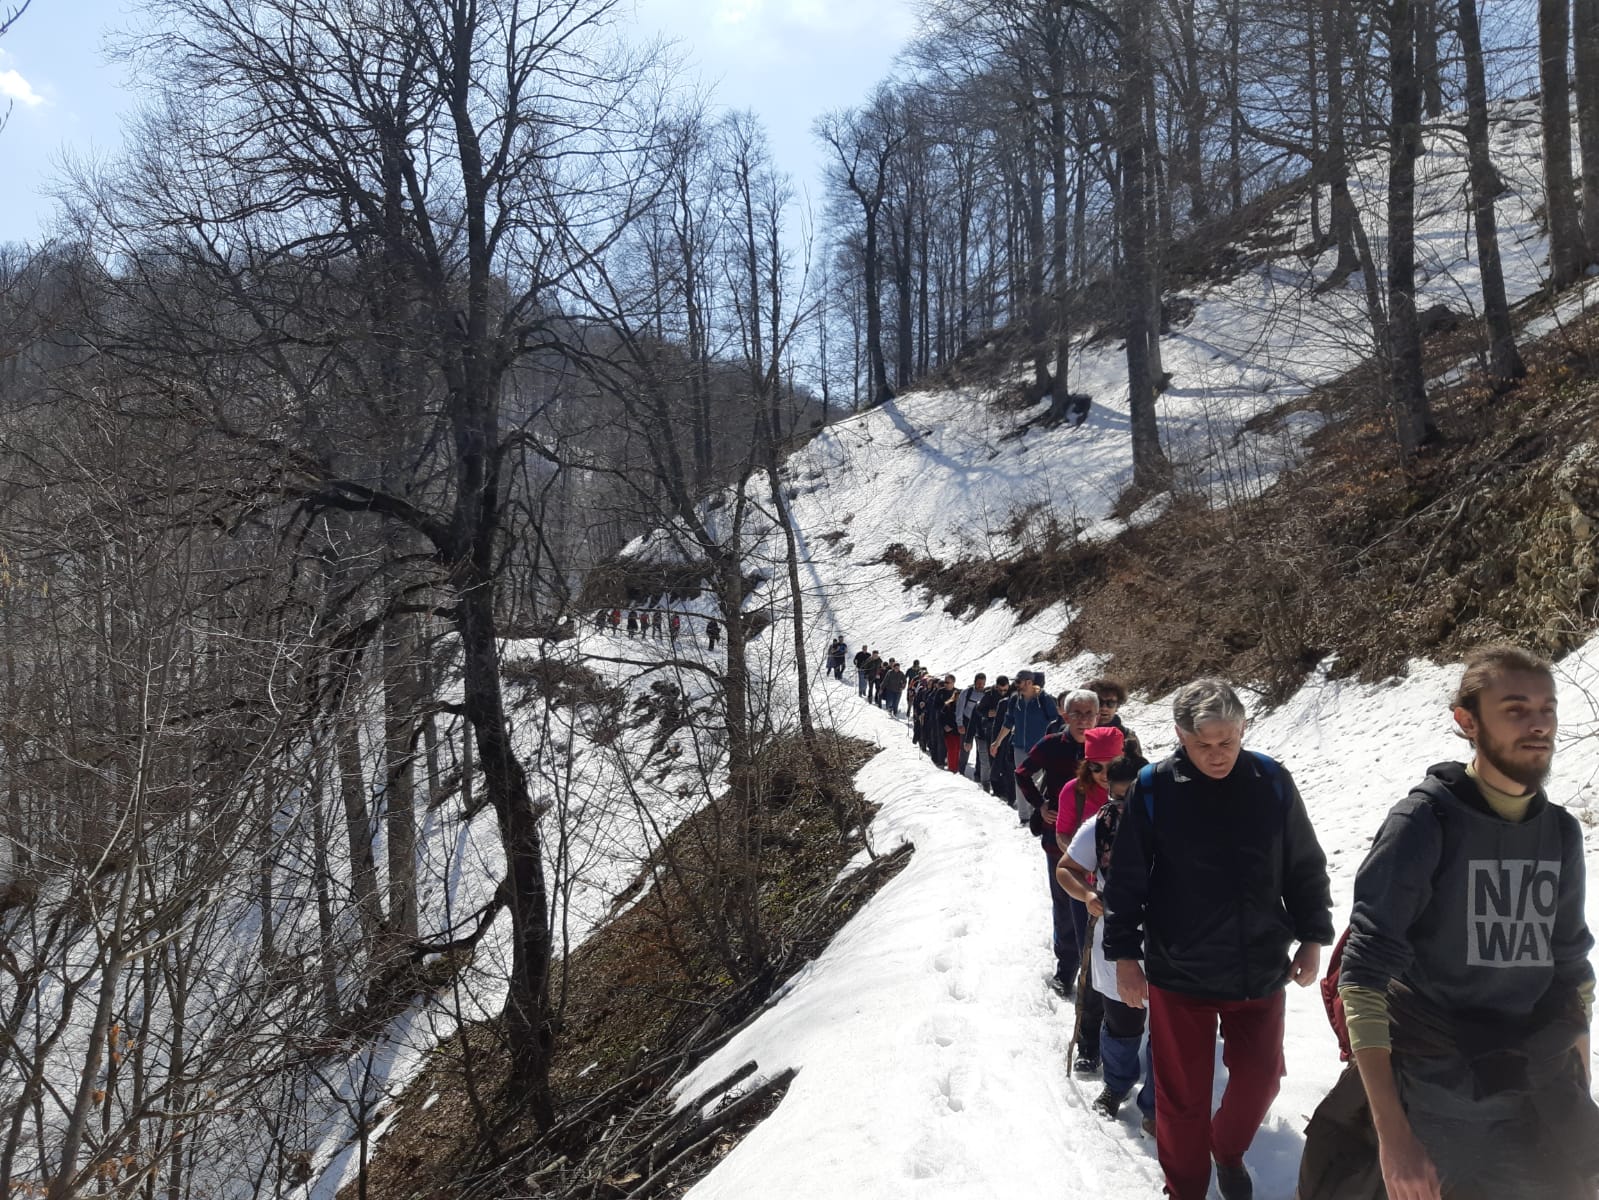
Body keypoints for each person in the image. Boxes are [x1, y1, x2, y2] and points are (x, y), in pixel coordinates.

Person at [1303, 645, 1599, 1200]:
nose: (1538, 725)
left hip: (1533, 1086)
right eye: (1515, 709)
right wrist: (1394, 1139)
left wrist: (1578, 1097)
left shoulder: (1559, 832)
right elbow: (1364, 979)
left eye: (1547, 709)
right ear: (1467, 721)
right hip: (1437, 1092)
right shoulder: (1426, 821)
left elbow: (1571, 972)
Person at [1104, 678, 1332, 1200]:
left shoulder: (1271, 781)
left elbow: (1303, 862)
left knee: (1261, 1081)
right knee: (1180, 1099)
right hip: (1179, 969)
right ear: (1181, 737)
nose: (1217, 754)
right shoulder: (1155, 787)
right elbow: (1128, 878)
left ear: (1244, 728)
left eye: (1227, 740)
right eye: (1203, 743)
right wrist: (1123, 955)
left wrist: (1313, 935)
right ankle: (1185, 1189)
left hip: (1259, 965)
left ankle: (1227, 1150)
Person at [1058, 752, 1155, 1127]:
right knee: (1122, 1020)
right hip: (1116, 936)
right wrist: (1088, 896)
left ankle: (1158, 1101)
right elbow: (1066, 869)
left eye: (1137, 793)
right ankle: (1117, 1083)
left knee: (1169, 1026)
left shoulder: (1181, 823)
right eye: (1121, 794)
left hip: (1174, 939)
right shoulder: (1101, 825)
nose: (1128, 803)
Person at [1016, 689, 1100, 996]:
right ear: (1064, 716)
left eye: (1088, 713)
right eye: (1075, 713)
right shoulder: (1053, 745)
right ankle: (1066, 970)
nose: (1082, 720)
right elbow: (1023, 773)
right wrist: (1040, 805)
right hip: (1059, 839)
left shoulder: (1105, 746)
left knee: (1099, 902)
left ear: (1098, 714)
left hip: (1103, 841)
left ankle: (1098, 975)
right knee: (1065, 903)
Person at [1051, 724, 1124, 1068]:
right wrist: (1088, 863)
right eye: (1096, 767)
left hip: (1129, 896)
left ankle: (1123, 1032)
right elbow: (1063, 834)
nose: (1104, 775)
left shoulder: (1141, 791)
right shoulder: (1073, 792)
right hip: (1089, 892)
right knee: (1092, 964)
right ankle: (1089, 1044)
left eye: (1112, 765)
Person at [992, 670, 1055, 822]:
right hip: (1019, 747)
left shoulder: (1044, 699)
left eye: (1018, 682)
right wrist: (997, 742)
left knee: (1037, 782)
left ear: (1029, 682)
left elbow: (1055, 721)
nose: (1016, 685)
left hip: (1040, 748)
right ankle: (1024, 817)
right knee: (1021, 780)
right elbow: (1008, 722)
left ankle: (1036, 812)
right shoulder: (1015, 700)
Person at [1087, 676, 1143, 757]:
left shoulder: (1128, 737)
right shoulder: (1080, 733)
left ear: (1117, 706)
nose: (1104, 708)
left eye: (1110, 703)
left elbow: (1138, 767)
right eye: (1099, 702)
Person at [970, 676, 1008, 794]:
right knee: (993, 762)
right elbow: (978, 710)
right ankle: (996, 789)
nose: (1002, 693)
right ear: (996, 686)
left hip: (1007, 732)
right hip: (990, 731)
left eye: (1005, 690)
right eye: (1000, 690)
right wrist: (987, 713)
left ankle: (1006, 790)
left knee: (1006, 762)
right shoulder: (989, 695)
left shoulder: (1012, 694)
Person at [956, 673, 987, 775]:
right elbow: (960, 708)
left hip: (981, 724)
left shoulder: (986, 694)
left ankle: (979, 773)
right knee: (965, 747)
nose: (980, 686)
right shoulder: (967, 693)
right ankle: (961, 770)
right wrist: (960, 724)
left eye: (982, 684)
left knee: (981, 749)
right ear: (975, 682)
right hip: (966, 722)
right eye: (978, 683)